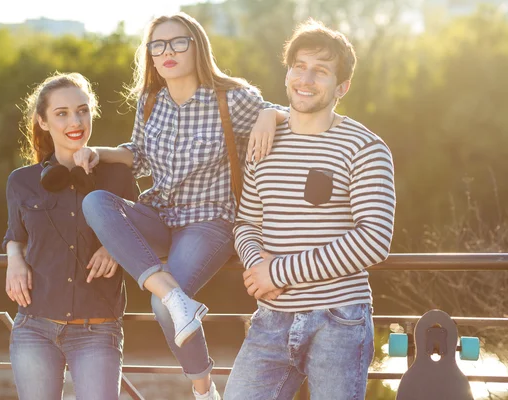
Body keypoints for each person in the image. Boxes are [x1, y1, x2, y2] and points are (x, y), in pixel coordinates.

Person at [74, 12, 287, 400]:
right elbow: (138, 156)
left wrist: (271, 115)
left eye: (177, 42)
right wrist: (98, 152)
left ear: (197, 47)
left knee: (160, 305)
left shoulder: (231, 98)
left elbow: (287, 116)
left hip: (210, 222)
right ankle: (176, 297)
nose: (167, 51)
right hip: (159, 216)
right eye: (158, 45)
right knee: (96, 202)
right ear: (151, 56)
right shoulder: (150, 101)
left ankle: (203, 389)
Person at [224, 19, 396, 400]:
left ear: (342, 86)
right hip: (270, 318)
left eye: (321, 71)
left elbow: (374, 240)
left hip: (339, 319)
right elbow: (247, 221)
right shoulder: (264, 141)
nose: (306, 78)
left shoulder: (365, 148)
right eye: (299, 66)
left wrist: (279, 272)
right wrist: (258, 267)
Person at [2, 72, 138, 400]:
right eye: (61, 113)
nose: (75, 121)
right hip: (34, 326)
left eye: (82, 110)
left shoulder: (118, 175)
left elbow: (147, 228)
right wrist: (13, 258)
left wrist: (113, 244)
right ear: (43, 122)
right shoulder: (21, 181)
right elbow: (15, 233)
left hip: (98, 329)